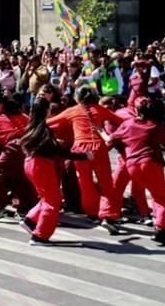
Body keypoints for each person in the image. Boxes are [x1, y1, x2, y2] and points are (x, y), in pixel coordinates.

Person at [47, 85, 124, 234]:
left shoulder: (72, 111)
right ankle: (107, 215)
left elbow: (49, 123)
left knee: (85, 183)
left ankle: (92, 213)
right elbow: (122, 121)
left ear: (77, 97)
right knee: (106, 182)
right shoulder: (100, 109)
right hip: (98, 147)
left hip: (80, 148)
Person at [102, 98, 165, 246]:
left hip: (130, 163)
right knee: (160, 197)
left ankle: (109, 215)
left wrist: (99, 131)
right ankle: (160, 228)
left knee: (119, 186)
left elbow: (110, 139)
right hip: (150, 162)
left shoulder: (127, 123)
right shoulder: (156, 125)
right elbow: (164, 142)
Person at [20, 97, 91, 246]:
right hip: (41, 165)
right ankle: (40, 236)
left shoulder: (31, 126)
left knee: (47, 197)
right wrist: (83, 155)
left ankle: (30, 221)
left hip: (30, 164)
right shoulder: (44, 130)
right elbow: (58, 151)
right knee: (53, 201)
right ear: (47, 111)